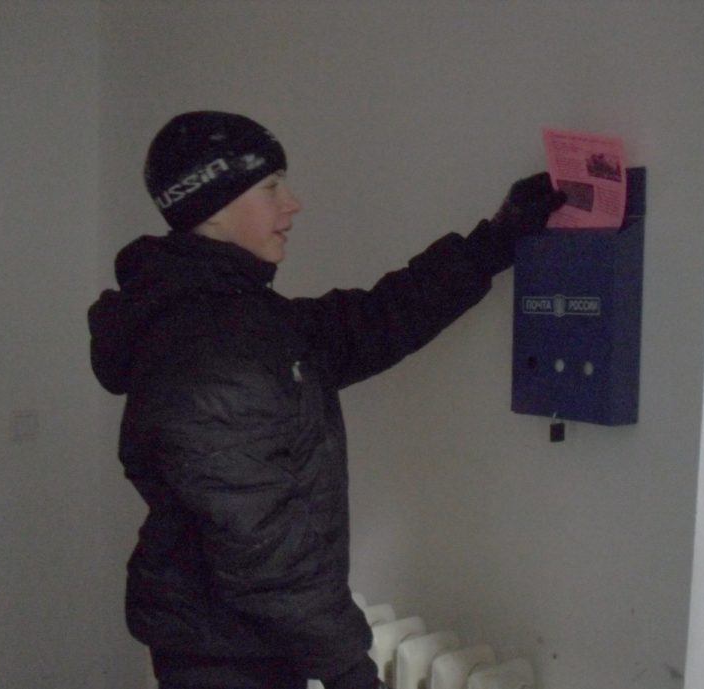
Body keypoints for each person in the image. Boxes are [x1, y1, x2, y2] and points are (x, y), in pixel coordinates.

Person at [88, 111, 565, 689]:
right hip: (225, 655)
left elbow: (378, 319)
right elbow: (262, 543)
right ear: (211, 206)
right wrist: (348, 671)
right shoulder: (209, 352)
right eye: (271, 187)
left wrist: (497, 240)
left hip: (241, 637)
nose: (292, 204)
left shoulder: (248, 319)